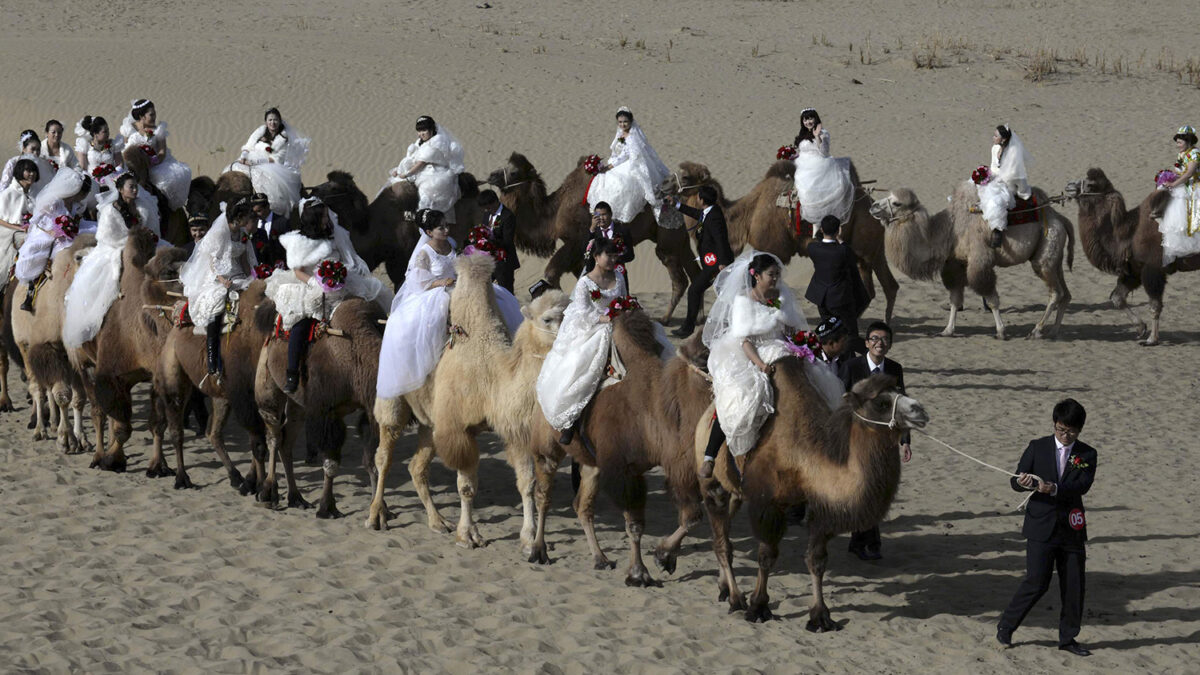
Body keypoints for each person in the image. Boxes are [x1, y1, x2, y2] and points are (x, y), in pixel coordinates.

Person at [698, 249, 842, 478]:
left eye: (777, 274)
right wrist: (760, 365)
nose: (775, 279)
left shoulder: (781, 296)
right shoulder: (743, 301)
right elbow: (744, 340)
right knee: (738, 399)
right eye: (771, 274)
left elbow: (791, 330)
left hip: (780, 348)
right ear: (756, 275)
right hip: (749, 352)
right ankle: (710, 455)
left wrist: (799, 346)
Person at [997, 398, 1097, 658]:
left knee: (1074, 584)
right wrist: (1024, 481)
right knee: (1036, 581)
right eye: (1061, 429)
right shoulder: (1037, 447)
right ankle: (1006, 626)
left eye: (1071, 431)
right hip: (1041, 525)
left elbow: (1083, 485)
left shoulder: (1087, 454)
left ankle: (1068, 638)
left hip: (1071, 528)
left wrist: (1056, 488)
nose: (1065, 435)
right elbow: (1016, 480)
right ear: (1054, 424)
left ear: (1080, 430)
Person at [265, 196, 388, 392]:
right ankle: (292, 373)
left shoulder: (334, 235)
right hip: (311, 285)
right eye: (323, 216)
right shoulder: (299, 241)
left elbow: (348, 258)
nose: (327, 219)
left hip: (340, 283)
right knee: (301, 323)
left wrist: (340, 273)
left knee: (366, 310)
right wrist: (316, 282)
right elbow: (298, 271)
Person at [537, 237, 628, 446]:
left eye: (615, 255)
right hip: (591, 326)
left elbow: (623, 299)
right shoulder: (585, 283)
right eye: (609, 255)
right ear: (596, 257)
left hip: (617, 321)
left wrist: (623, 311)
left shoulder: (619, 276)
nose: (613, 259)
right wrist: (604, 318)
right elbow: (583, 313)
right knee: (582, 367)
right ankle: (572, 421)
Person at [62, 173, 161, 349]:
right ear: (121, 190)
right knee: (102, 281)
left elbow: (152, 229)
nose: (135, 189)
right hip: (113, 249)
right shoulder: (110, 211)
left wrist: (147, 239)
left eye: (136, 186)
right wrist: (132, 242)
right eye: (131, 186)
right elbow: (106, 237)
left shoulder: (143, 207)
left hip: (142, 246)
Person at [839, 321, 911, 560]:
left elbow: (901, 404)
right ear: (867, 343)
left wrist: (905, 440)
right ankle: (869, 542)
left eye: (885, 339)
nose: (880, 343)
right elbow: (840, 403)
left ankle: (862, 541)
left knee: (876, 489)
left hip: (885, 441)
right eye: (875, 339)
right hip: (856, 440)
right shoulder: (851, 367)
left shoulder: (894, 368)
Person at [179, 199, 258, 383]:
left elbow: (245, 260)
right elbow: (212, 262)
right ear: (239, 217)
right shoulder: (220, 233)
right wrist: (222, 280)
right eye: (247, 216)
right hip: (216, 277)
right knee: (217, 303)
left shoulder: (242, 233)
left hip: (237, 274)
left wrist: (252, 278)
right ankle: (212, 359)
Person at [16, 167, 93, 312]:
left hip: (66, 235)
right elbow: (38, 219)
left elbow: (74, 221)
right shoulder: (54, 201)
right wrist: (53, 230)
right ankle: (32, 289)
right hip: (46, 232)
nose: (85, 197)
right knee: (37, 254)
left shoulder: (76, 205)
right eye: (84, 193)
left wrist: (68, 228)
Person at [586, 106, 671, 224]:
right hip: (619, 161)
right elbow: (618, 151)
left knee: (619, 184)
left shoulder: (632, 138)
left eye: (625, 121)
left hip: (630, 164)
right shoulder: (621, 133)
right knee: (602, 179)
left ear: (631, 121)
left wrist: (610, 166)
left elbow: (627, 156)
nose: (622, 124)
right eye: (620, 122)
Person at [670, 184, 735, 337]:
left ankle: (688, 327)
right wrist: (677, 205)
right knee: (722, 294)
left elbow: (721, 241)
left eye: (698, 196)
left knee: (695, 290)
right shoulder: (710, 211)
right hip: (712, 263)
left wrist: (723, 263)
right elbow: (698, 214)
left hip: (716, 264)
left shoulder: (714, 217)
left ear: (701, 199)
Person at [225, 108, 309, 216]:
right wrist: (244, 156)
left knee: (271, 190)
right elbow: (249, 145)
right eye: (270, 120)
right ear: (266, 121)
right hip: (249, 160)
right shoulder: (260, 131)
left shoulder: (283, 139)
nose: (272, 123)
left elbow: (276, 159)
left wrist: (255, 162)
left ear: (279, 121)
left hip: (270, 166)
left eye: (275, 120)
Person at [384, 116, 465, 223]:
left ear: (432, 130)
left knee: (426, 191)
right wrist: (399, 170)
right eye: (419, 131)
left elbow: (421, 162)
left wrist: (407, 174)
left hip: (434, 172)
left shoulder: (438, 142)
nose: (421, 134)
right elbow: (411, 159)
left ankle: (424, 217)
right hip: (419, 169)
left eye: (424, 130)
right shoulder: (420, 141)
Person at [120, 98, 193, 210]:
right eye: (151, 115)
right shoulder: (129, 129)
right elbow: (125, 149)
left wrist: (152, 161)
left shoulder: (158, 130)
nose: (154, 117)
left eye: (154, 114)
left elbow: (162, 152)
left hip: (156, 164)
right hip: (134, 165)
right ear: (142, 117)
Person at [805, 215, 869, 342]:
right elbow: (850, 257)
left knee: (828, 331)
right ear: (838, 230)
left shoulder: (812, 248)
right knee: (850, 332)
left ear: (822, 229)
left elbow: (817, 238)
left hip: (821, 298)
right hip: (840, 298)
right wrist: (840, 239)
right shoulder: (843, 250)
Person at [792, 108, 854, 227]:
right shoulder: (803, 134)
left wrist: (817, 137)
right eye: (805, 119)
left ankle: (817, 220)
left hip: (818, 164)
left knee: (810, 190)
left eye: (810, 118)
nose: (808, 122)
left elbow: (825, 153)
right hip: (802, 163)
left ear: (816, 119)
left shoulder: (823, 133)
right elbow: (802, 150)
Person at [978, 124, 1033, 248]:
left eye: (996, 136)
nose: (993, 137)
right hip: (994, 179)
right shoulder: (994, 148)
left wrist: (1024, 193)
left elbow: (1017, 176)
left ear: (1003, 139)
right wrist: (986, 175)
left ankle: (997, 232)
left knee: (995, 201)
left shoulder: (1013, 153)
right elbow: (993, 167)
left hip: (1007, 185)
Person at [1158, 125, 1200, 265]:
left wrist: (1174, 184)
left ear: (1188, 142)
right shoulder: (1181, 154)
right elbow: (1179, 171)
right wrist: (1167, 177)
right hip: (1183, 184)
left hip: (1194, 187)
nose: (1178, 145)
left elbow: (1189, 174)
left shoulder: (1194, 154)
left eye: (1180, 142)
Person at [0, 158, 41, 281]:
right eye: (28, 171)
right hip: (7, 231)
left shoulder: (34, 194)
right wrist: (19, 228)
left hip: (27, 229)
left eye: (34, 171)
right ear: (19, 172)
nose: (32, 174)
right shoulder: (8, 193)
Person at [73, 115, 125, 207]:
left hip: (112, 179)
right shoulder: (85, 145)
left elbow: (119, 163)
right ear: (95, 134)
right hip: (92, 180)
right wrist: (91, 180)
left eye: (108, 130)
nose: (108, 133)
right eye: (105, 131)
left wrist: (114, 175)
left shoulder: (114, 144)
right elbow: (83, 167)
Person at [476, 189, 519, 293]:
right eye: (484, 208)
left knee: (506, 292)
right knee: (483, 289)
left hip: (503, 262)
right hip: (488, 260)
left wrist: (489, 241)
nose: (487, 210)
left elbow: (507, 242)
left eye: (488, 207)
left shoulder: (507, 216)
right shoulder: (487, 214)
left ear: (495, 202)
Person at [584, 201, 634, 289]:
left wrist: (614, 258)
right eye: (598, 216)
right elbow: (585, 252)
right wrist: (592, 229)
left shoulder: (622, 230)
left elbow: (631, 255)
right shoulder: (593, 232)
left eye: (604, 215)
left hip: (618, 275)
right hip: (598, 278)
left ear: (610, 214)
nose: (601, 218)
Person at [248, 192, 291, 268]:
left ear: (267, 207)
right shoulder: (252, 222)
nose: (256, 215)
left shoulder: (282, 222)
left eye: (259, 211)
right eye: (253, 212)